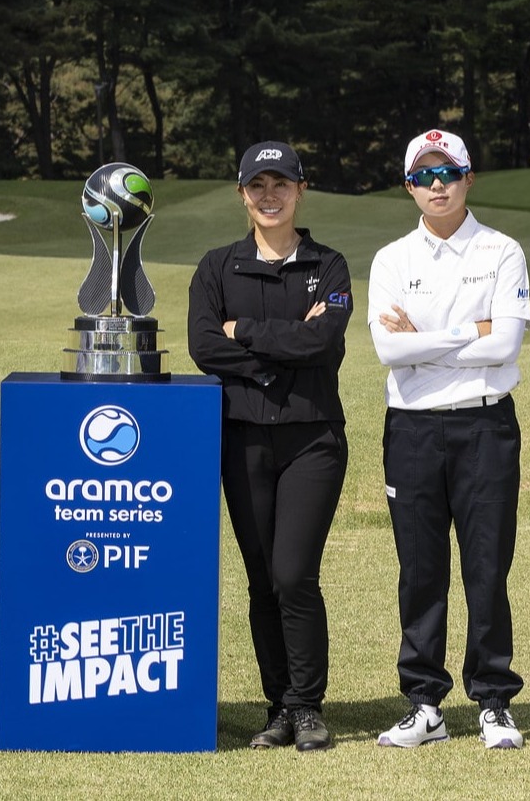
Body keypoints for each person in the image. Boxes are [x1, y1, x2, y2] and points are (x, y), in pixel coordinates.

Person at [368, 129, 530, 751]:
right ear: (409, 185)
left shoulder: (501, 251)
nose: (436, 186)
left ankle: (493, 700)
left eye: (448, 174)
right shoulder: (391, 260)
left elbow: (505, 346)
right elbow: (389, 349)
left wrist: (427, 341)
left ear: (468, 178)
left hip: (485, 425)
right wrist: (471, 330)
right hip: (410, 429)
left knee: (487, 565)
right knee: (420, 568)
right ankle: (424, 704)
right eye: (423, 176)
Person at [186, 141, 353, 753]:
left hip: (312, 439)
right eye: (257, 185)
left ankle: (308, 705)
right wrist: (281, 350)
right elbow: (205, 346)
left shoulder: (329, 265)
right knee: (262, 580)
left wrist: (247, 334)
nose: (269, 195)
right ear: (241, 194)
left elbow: (325, 344)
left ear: (301, 190)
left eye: (281, 183)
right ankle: (279, 705)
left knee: (294, 575)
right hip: (241, 438)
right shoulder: (216, 267)